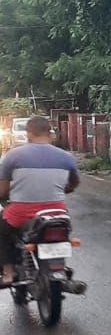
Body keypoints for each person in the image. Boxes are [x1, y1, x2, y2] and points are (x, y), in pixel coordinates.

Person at [0, 116, 80, 286]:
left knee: (2, 231)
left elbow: (3, 191)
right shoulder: (67, 157)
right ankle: (59, 266)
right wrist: (63, 190)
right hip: (57, 212)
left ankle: (8, 272)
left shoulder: (12, 156)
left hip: (21, 214)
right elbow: (73, 184)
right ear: (50, 134)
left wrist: (7, 197)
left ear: (29, 134)